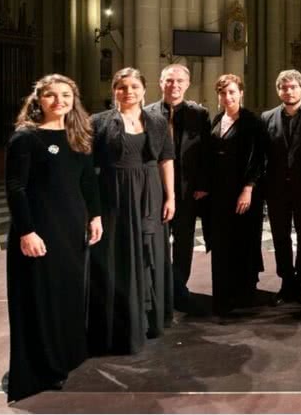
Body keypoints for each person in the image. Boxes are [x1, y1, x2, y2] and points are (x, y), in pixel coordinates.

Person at [4, 75, 102, 402]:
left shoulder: (78, 135)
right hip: (40, 230)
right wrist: (27, 231)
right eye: (51, 95)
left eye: (66, 95)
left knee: (67, 294)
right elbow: (16, 188)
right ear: (38, 100)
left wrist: (95, 216)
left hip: (71, 229)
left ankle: (66, 357)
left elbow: (87, 181)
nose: (59, 101)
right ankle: (42, 369)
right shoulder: (26, 138)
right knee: (41, 298)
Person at [89, 68, 175, 355]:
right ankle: (120, 323)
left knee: (149, 253)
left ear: (144, 90)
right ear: (114, 90)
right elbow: (87, 165)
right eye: (122, 87)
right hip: (113, 194)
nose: (129, 92)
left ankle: (149, 320)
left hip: (149, 193)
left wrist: (170, 197)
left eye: (134, 86)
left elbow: (166, 160)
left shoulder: (158, 121)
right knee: (117, 255)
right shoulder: (99, 122)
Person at [145, 64, 211, 313]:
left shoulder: (199, 113)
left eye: (179, 81)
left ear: (187, 84)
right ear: (161, 83)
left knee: (184, 243)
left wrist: (203, 184)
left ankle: (179, 290)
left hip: (187, 190)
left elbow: (205, 151)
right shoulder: (147, 113)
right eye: (169, 80)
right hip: (155, 190)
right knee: (157, 242)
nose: (174, 85)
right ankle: (158, 290)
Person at [261, 70, 301, 304]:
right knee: (280, 236)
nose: (288, 91)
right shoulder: (267, 117)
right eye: (284, 87)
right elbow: (263, 152)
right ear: (278, 91)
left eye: (293, 87)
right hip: (276, 187)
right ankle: (286, 281)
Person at [207, 74, 267, 316]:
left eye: (232, 92)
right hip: (220, 193)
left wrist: (248, 188)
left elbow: (259, 157)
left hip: (244, 191)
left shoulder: (252, 121)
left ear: (241, 93)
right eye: (223, 93)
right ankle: (222, 295)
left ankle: (243, 295)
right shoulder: (216, 119)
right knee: (222, 242)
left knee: (244, 241)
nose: (227, 97)